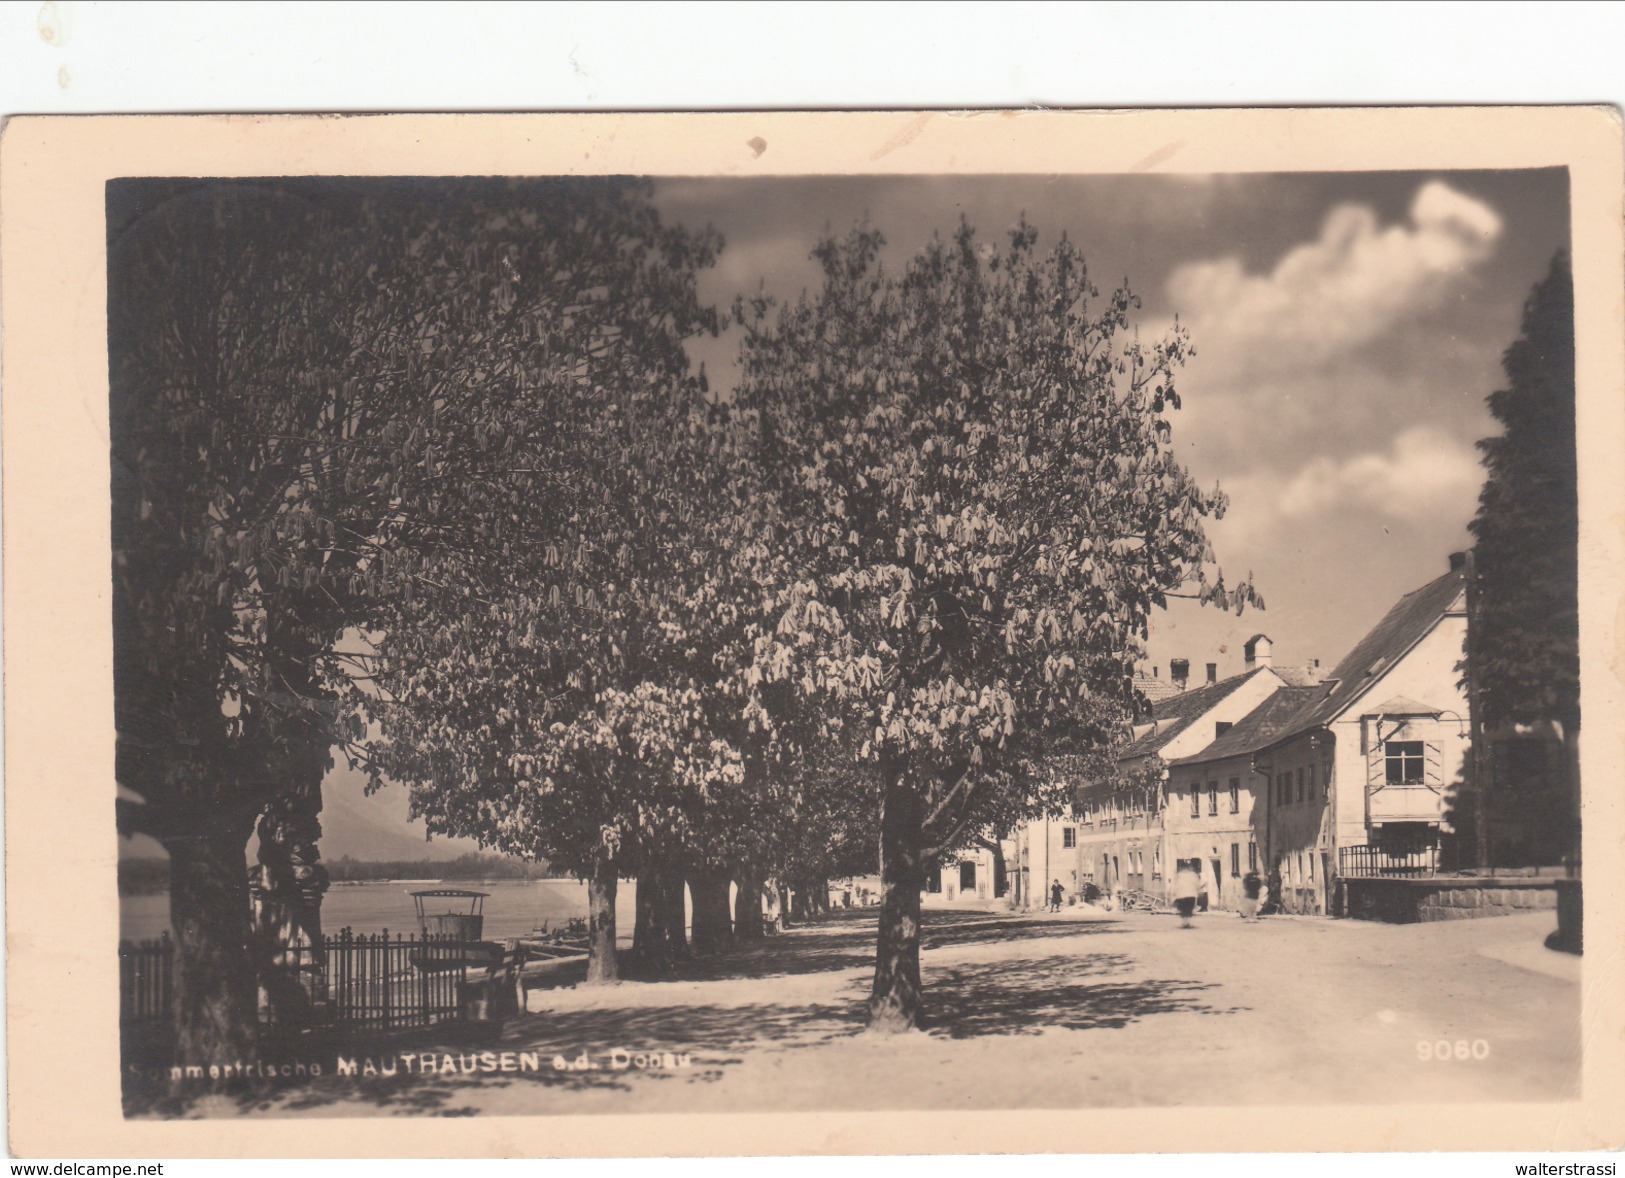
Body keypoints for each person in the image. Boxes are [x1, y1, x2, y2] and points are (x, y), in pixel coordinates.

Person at [1173, 861, 1201, 928]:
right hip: (1191, 894)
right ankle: (1188, 922)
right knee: (1189, 909)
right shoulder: (1193, 875)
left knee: (1183, 909)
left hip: (1181, 895)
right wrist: (1198, 892)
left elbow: (1176, 885)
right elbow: (1197, 884)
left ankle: (1185, 922)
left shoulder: (1180, 875)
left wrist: (1175, 894)